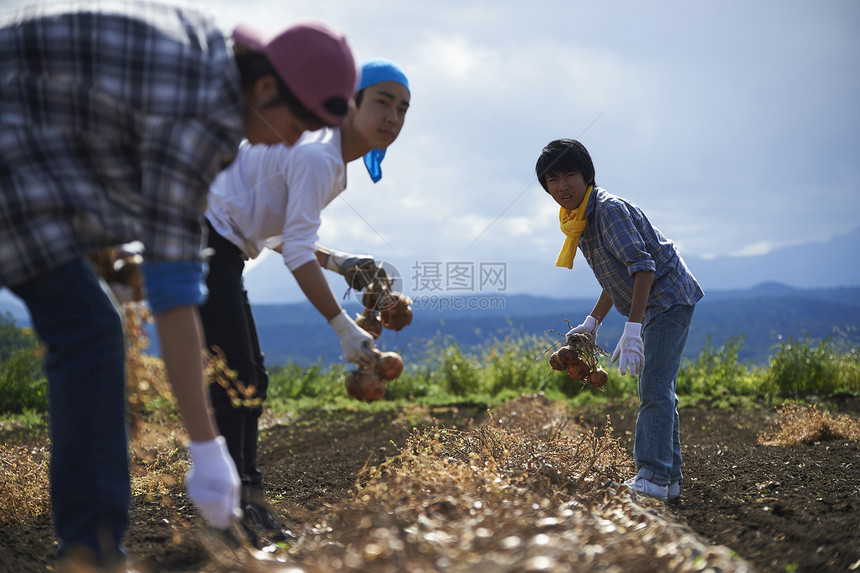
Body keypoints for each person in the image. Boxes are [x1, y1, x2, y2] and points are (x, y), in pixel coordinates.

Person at [0, 1, 357, 570]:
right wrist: (205, 447)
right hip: (14, 138)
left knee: (91, 320)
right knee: (90, 331)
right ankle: (92, 554)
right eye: (297, 126)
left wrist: (115, 257)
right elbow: (174, 288)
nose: (292, 144)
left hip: (34, 133)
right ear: (265, 88)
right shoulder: (203, 113)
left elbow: (84, 139)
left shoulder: (206, 59)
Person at [199, 58, 411, 545]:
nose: (393, 117)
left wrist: (336, 262)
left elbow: (274, 226)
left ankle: (247, 503)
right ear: (349, 102)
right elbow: (293, 249)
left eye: (403, 109)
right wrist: (343, 328)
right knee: (238, 380)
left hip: (222, 240)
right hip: (205, 238)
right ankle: (229, 515)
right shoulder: (321, 157)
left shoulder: (329, 162)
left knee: (250, 379)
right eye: (382, 101)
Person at [535, 138, 704, 502]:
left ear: (587, 177)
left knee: (654, 388)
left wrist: (632, 329)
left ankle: (653, 477)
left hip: (667, 299)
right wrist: (593, 322)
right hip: (655, 303)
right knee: (659, 388)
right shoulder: (577, 220)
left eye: (569, 176)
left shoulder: (607, 211)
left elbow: (643, 268)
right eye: (552, 180)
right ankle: (668, 479)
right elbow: (616, 276)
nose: (561, 186)